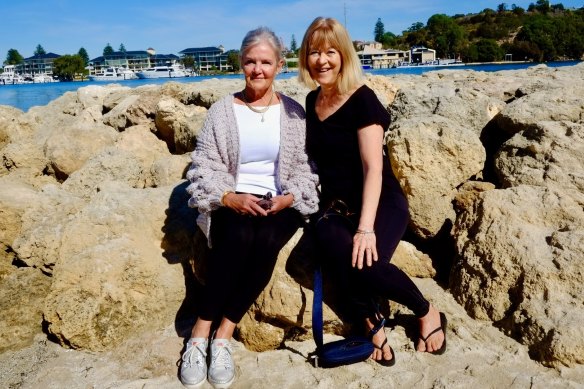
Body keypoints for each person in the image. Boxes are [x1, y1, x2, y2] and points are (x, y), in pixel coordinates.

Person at [298, 17, 447, 366]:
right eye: (314, 52)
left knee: (365, 261)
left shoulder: (362, 99)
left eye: (331, 51)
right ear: (306, 58)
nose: (322, 60)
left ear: (344, 55)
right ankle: (371, 320)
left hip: (380, 201)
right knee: (337, 253)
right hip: (334, 206)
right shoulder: (310, 102)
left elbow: (373, 169)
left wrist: (365, 228)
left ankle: (426, 311)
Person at [183, 26, 319, 388]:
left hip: (280, 201)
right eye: (250, 62)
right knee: (240, 238)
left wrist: (289, 198)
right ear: (241, 64)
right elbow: (203, 165)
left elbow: (307, 169)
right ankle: (200, 334)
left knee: (265, 244)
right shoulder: (222, 111)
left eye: (265, 62)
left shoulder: (293, 114)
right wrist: (228, 197)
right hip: (234, 197)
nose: (257, 69)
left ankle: (223, 336)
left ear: (279, 66)